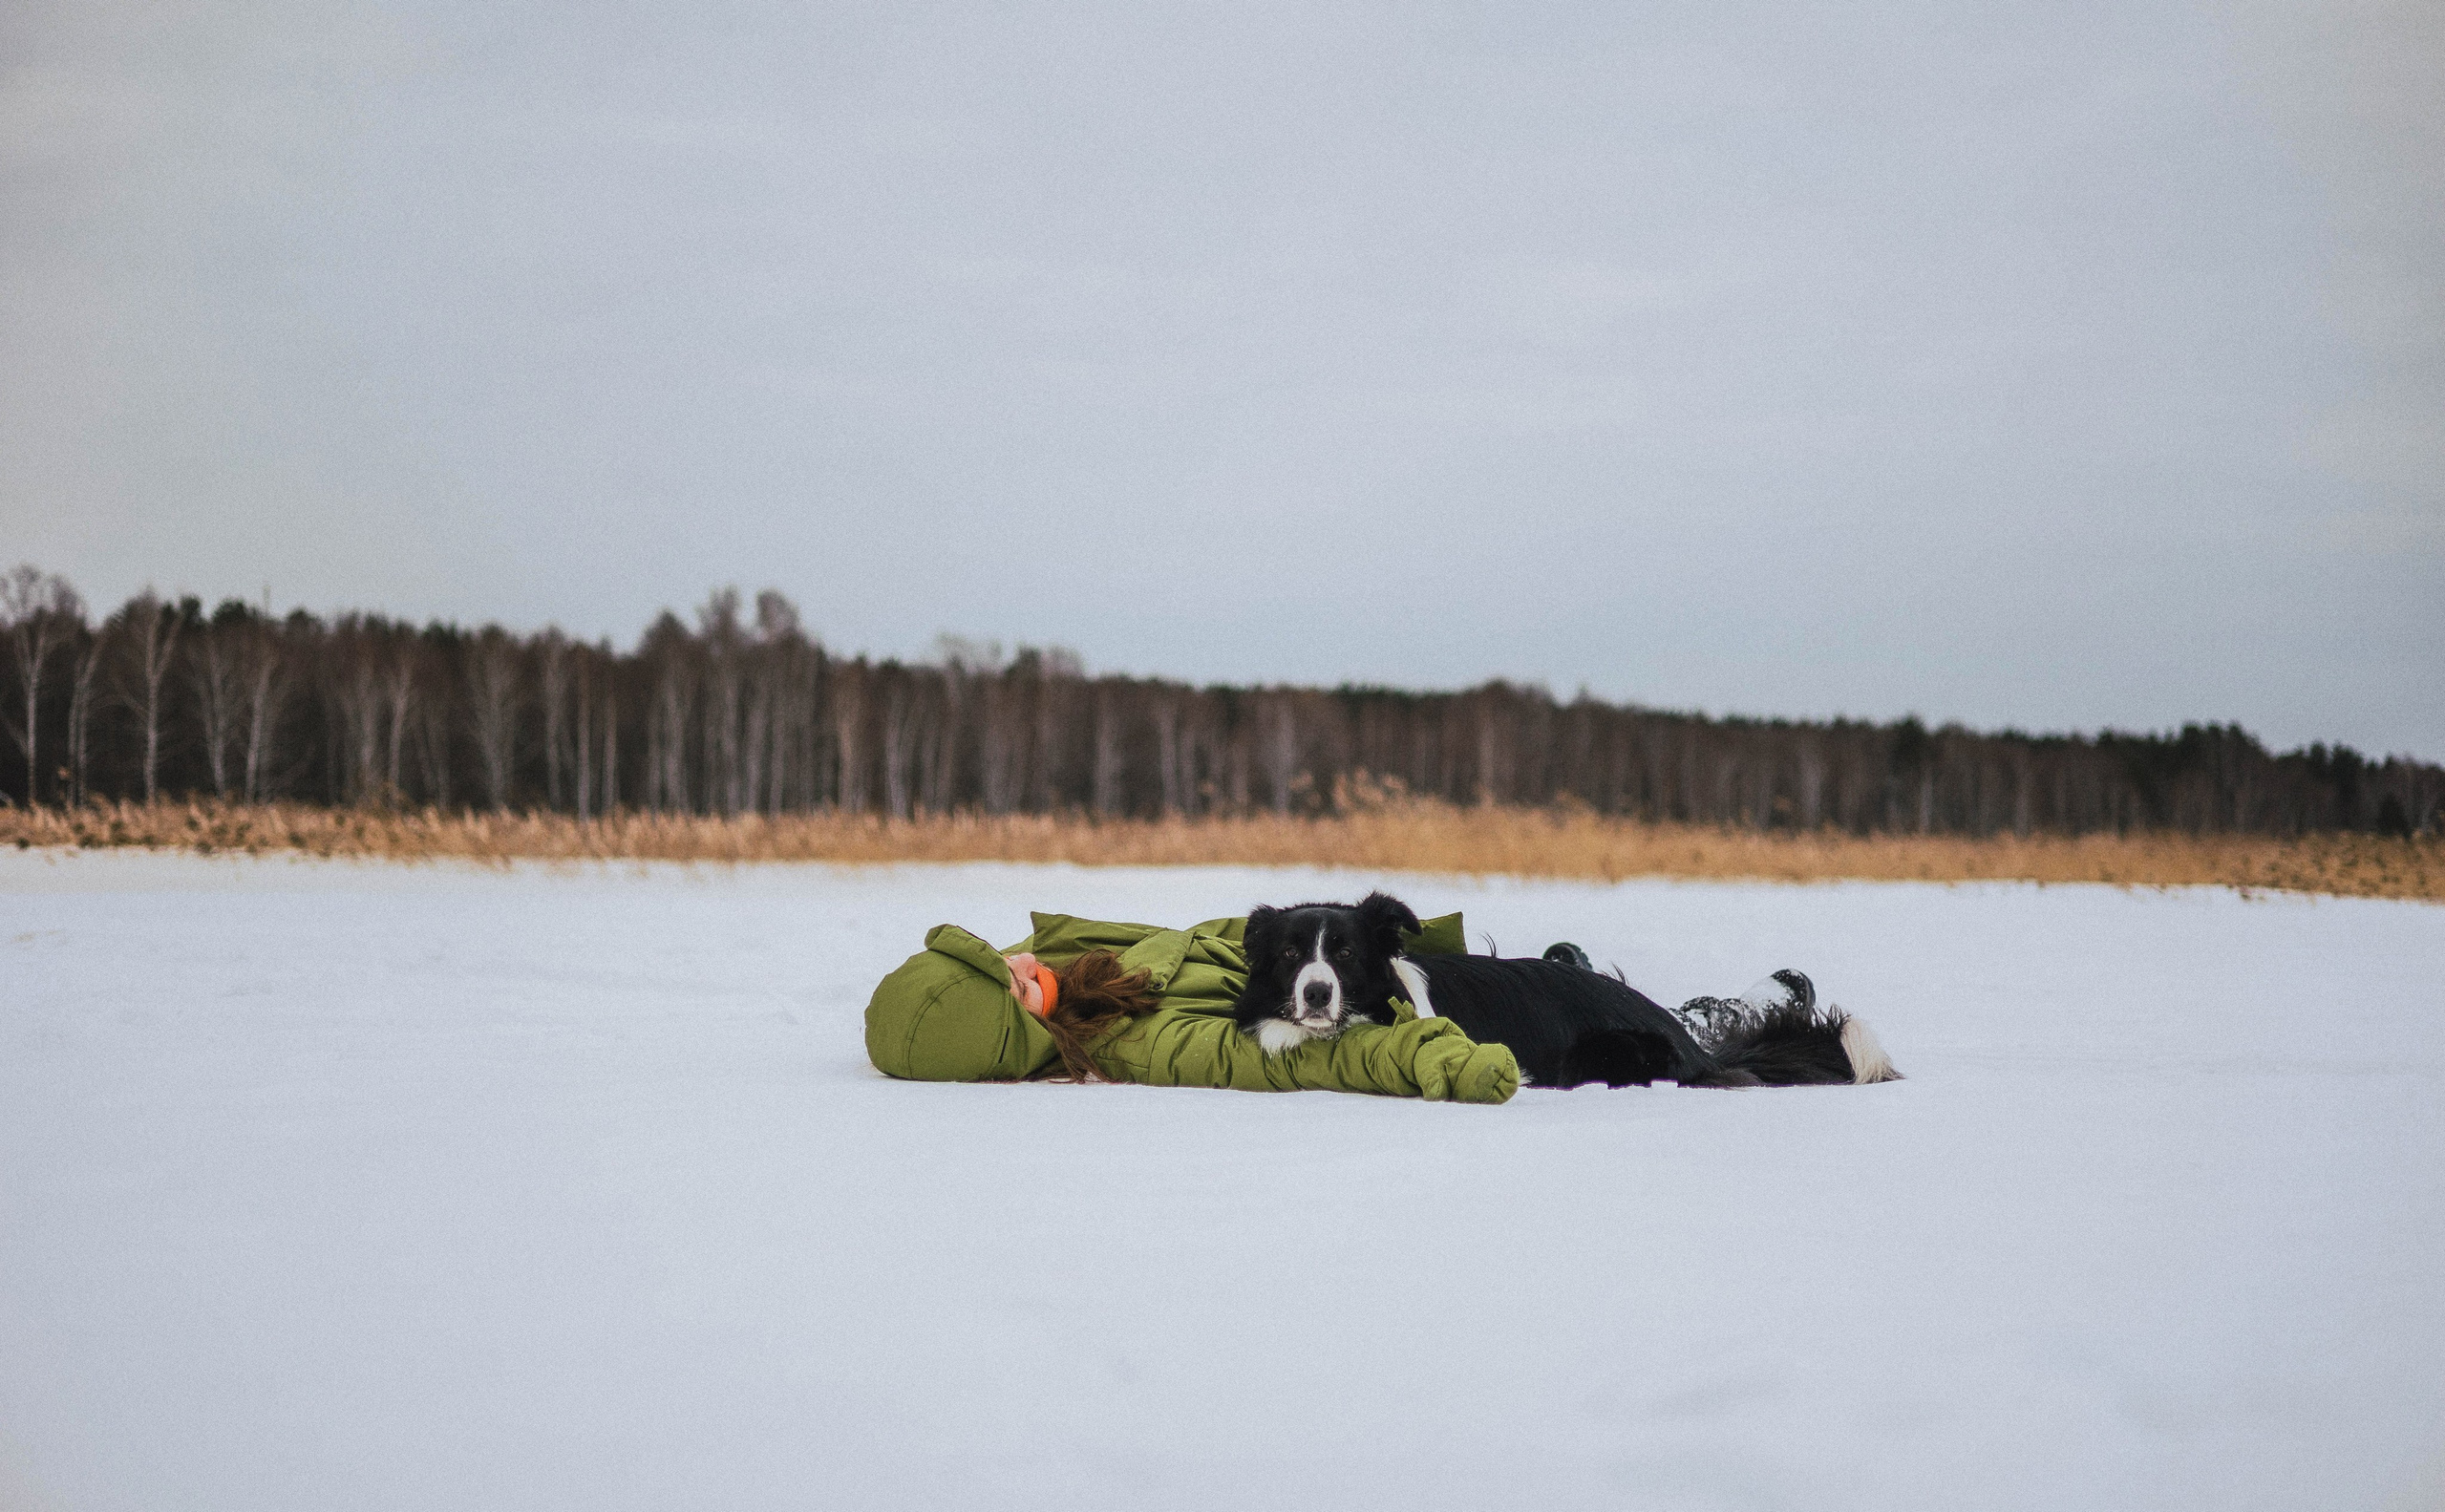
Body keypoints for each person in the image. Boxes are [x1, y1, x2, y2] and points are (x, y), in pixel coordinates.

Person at [863, 907, 1521, 1103]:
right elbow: (1287, 1063)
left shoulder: (1064, 962)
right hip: (1393, 1014)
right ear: (1013, 1025)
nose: (1022, 960)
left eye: (1003, 954)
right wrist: (1434, 1056)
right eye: (1014, 980)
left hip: (1402, 968)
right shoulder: (1132, 1040)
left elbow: (1213, 934)